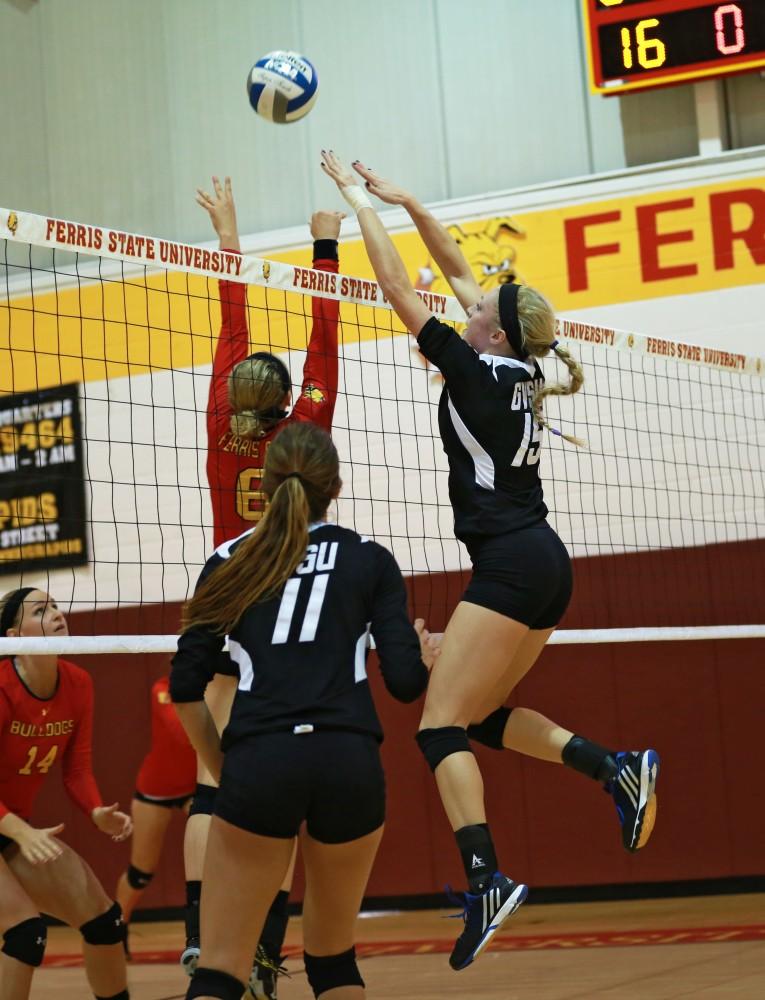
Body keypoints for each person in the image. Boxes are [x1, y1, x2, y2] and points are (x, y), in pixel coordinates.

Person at [320, 151, 661, 971]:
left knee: (438, 727)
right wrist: (406, 199)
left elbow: (403, 289)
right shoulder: (519, 364)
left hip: (511, 564)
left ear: (493, 330)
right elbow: (454, 268)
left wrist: (353, 205)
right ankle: (613, 769)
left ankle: (484, 879)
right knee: (476, 718)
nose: (465, 305)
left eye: (477, 309)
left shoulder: (472, 371)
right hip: (544, 562)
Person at [169, 421, 436, 1000]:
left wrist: (223, 768)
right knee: (334, 961)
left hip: (262, 760)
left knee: (219, 970)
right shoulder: (370, 559)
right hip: (349, 761)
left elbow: (185, 684)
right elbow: (408, 685)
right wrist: (420, 651)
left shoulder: (229, 561)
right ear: (334, 488)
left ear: (263, 488)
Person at [183, 176, 344, 998]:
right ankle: (263, 953)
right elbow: (324, 341)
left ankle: (195, 934)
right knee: (281, 793)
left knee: (215, 782)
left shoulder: (220, 422)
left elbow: (231, 319)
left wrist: (229, 235)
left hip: (221, 602)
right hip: (284, 615)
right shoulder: (303, 434)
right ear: (287, 402)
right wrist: (324, 244)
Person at [0, 588, 133, 1000]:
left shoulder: (78, 683)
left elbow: (76, 769)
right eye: (41, 610)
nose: (57, 613)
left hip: (12, 830)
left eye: (56, 605)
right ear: (13, 636)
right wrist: (22, 832)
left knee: (105, 922)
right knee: (26, 934)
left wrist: (95, 811)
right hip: (14, 829)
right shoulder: (2, 688)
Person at [115, 675, 196, 942]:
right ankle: (116, 930)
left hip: (197, 787)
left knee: (216, 860)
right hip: (157, 787)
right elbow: (181, 733)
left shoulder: (219, 685)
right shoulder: (162, 688)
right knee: (141, 873)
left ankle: (207, 934)